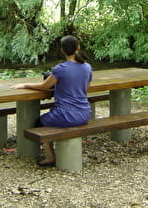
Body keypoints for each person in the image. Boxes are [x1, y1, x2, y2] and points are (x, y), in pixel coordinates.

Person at [11, 35, 92, 166]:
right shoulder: (87, 67)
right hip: (85, 114)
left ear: (63, 51)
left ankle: (50, 157)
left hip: (67, 115)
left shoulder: (60, 69)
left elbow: (44, 86)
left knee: (39, 123)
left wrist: (25, 85)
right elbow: (84, 89)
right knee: (51, 119)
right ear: (78, 47)